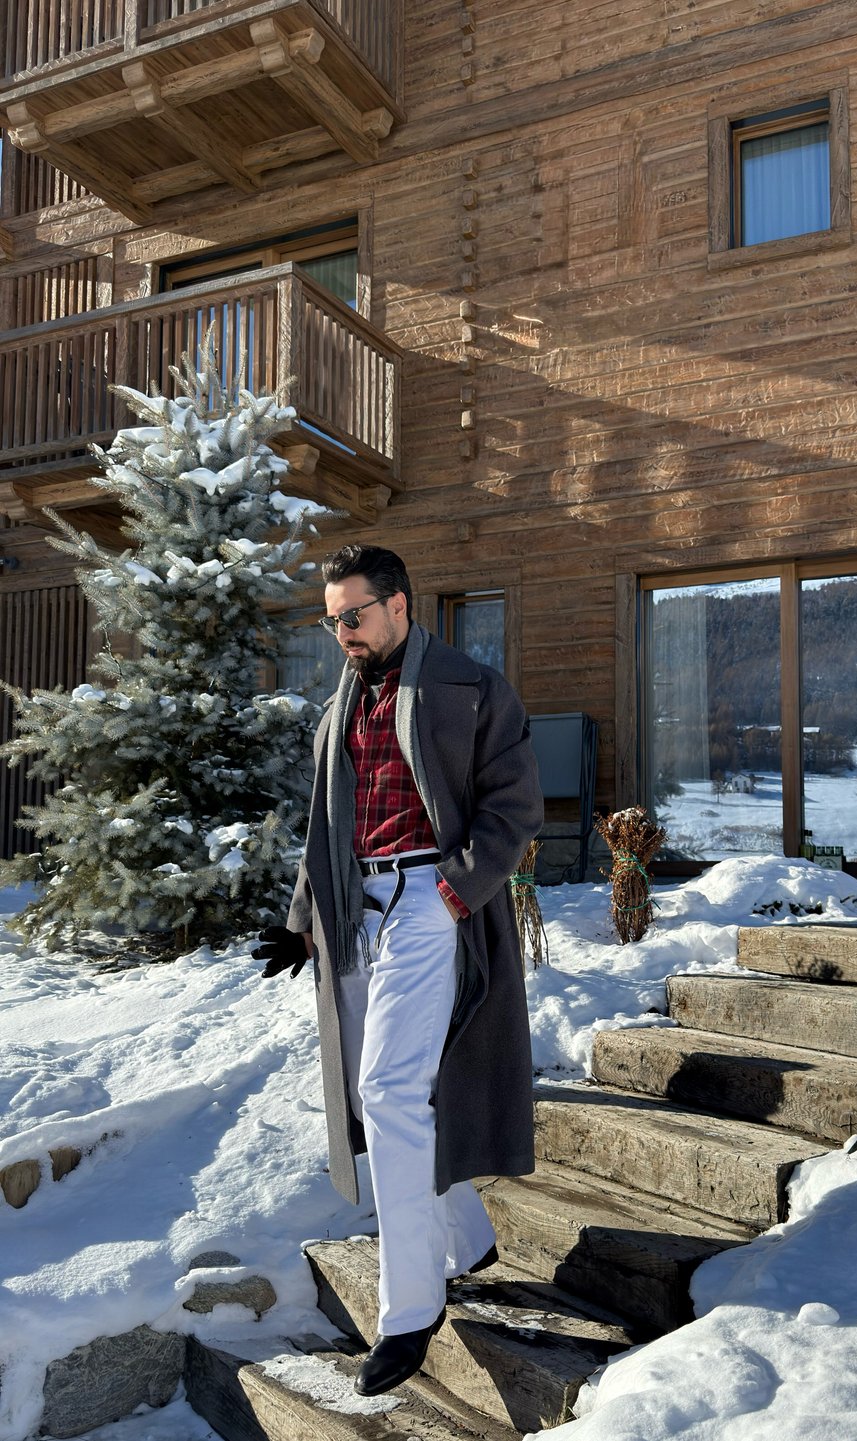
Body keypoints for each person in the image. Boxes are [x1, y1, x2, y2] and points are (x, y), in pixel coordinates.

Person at [253, 544, 543, 1397]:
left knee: (384, 1088)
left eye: (355, 614)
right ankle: (469, 1232)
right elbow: (326, 826)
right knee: (388, 1086)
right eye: (331, 617)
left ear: (401, 606)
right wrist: (302, 920)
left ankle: (411, 1309)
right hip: (356, 907)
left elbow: (514, 806)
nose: (341, 630)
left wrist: (454, 894)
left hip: (430, 892)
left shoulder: (473, 687)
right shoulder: (338, 706)